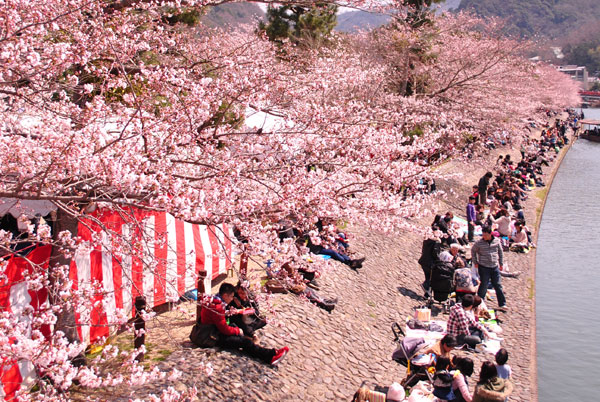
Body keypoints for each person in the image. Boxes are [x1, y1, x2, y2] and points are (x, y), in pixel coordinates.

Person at [201, 283, 289, 365]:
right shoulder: (217, 307)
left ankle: (272, 352)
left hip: (216, 330)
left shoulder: (215, 300)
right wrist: (237, 331)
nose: (232, 299)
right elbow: (224, 328)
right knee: (245, 342)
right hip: (213, 336)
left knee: (243, 332)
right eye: (231, 297)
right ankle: (270, 356)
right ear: (225, 296)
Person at [471, 226, 507, 310]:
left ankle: (502, 304)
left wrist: (501, 263)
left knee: (497, 285)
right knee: (484, 284)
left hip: (494, 266)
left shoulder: (497, 241)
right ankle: (479, 302)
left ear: (490, 234)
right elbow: (473, 251)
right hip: (484, 267)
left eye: (486, 235)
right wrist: (475, 261)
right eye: (483, 235)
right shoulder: (479, 243)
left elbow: (500, 253)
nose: (484, 236)